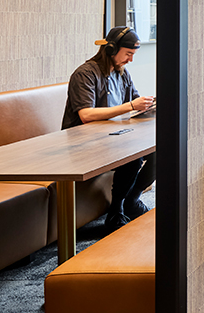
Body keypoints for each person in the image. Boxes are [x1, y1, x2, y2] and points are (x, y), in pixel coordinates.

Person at [62, 26, 156, 230]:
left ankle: (132, 200)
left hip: (111, 138)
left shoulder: (121, 73)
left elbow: (134, 100)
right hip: (83, 144)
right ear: (112, 49)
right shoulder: (85, 74)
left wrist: (151, 105)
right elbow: (86, 115)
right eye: (128, 54)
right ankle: (116, 210)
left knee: (161, 149)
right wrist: (131, 106)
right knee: (133, 156)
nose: (131, 60)